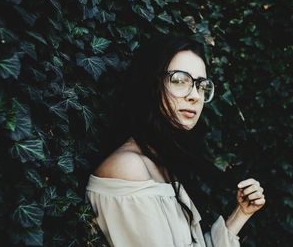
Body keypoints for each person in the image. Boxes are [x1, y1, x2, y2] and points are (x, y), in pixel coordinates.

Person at [85, 34, 266, 247]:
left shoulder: (162, 161)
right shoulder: (128, 169)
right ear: (151, 84)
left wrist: (240, 214)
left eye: (201, 85)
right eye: (180, 80)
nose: (195, 96)